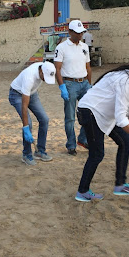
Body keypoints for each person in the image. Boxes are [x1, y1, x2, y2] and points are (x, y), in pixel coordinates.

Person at [75, 53, 129, 202]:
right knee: (97, 154)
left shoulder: (125, 76)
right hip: (90, 113)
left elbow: (121, 109)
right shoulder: (124, 80)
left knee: (125, 141)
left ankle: (120, 185)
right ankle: (82, 191)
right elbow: (121, 119)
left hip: (100, 114)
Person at [54, 19, 92, 155]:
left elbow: (88, 67)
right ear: (70, 32)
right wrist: (62, 86)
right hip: (69, 84)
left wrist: (89, 84)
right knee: (70, 117)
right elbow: (57, 69)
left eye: (81, 32)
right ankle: (71, 144)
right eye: (77, 33)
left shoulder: (84, 47)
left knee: (90, 112)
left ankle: (82, 138)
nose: (80, 35)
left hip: (84, 83)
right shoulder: (61, 48)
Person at [8, 61, 57, 165]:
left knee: (44, 119)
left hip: (32, 93)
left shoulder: (43, 66)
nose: (45, 80)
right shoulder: (29, 78)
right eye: (45, 77)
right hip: (17, 94)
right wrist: (25, 127)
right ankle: (26, 154)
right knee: (28, 124)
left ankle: (40, 151)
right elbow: (24, 106)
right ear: (41, 72)